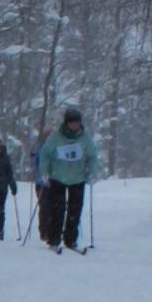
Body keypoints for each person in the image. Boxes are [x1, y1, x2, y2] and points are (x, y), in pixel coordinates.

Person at [38, 106, 98, 252]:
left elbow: (92, 156)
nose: (74, 125)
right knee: (57, 209)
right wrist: (45, 172)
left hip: (78, 178)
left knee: (75, 210)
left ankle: (70, 239)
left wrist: (91, 173)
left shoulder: (84, 136)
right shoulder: (56, 136)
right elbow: (45, 154)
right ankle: (54, 239)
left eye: (77, 122)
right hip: (58, 177)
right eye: (71, 122)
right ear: (66, 123)